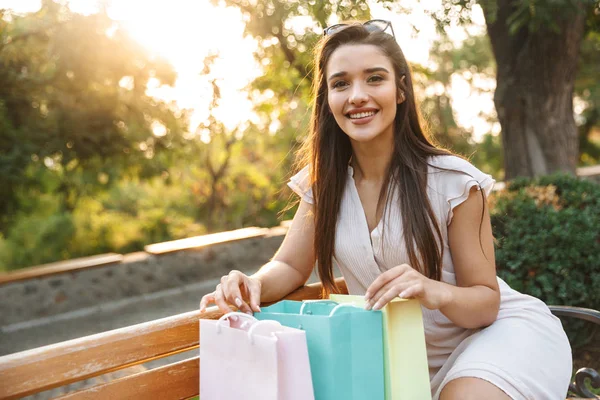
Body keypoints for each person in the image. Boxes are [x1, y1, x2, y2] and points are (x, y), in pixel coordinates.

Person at [200, 20, 572, 400]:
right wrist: (254, 283)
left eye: (374, 79)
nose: (357, 95)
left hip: (496, 340)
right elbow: (292, 266)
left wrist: (432, 290)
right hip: (398, 357)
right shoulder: (322, 185)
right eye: (341, 83)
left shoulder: (454, 182)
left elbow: (485, 303)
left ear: (400, 91)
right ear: (327, 100)